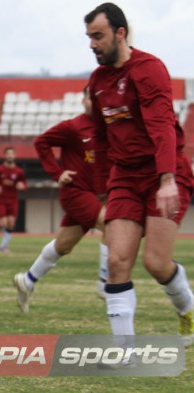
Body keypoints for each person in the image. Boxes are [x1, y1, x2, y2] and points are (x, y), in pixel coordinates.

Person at [85, 3, 194, 347]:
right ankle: (124, 353)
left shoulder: (149, 69)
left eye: (98, 36)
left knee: (156, 263)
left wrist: (166, 180)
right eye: (89, 37)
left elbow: (162, 126)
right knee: (117, 261)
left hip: (165, 171)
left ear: (121, 33)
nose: (92, 44)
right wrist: (103, 187)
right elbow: (101, 139)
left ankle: (189, 310)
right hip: (125, 178)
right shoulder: (98, 80)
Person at [13, 86, 109, 313]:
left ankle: (27, 281)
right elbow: (41, 143)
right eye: (90, 98)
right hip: (76, 192)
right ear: (83, 100)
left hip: (95, 196)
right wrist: (58, 173)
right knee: (112, 224)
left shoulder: (109, 128)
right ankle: (106, 283)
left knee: (63, 245)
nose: (95, 102)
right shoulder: (73, 127)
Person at [0, 147, 26, 252]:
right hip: (1, 200)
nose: (10, 156)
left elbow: (24, 184)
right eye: (8, 154)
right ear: (5, 155)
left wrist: (22, 186)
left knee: (11, 223)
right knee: (3, 223)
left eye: (12, 154)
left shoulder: (19, 171)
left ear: (15, 156)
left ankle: (3, 246)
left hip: (13, 200)